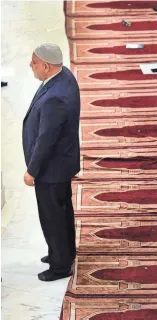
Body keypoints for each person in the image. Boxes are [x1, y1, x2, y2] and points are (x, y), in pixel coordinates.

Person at [23, 43, 80, 281]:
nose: (30, 66)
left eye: (34, 62)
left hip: (51, 168)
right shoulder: (64, 76)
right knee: (62, 210)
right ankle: (64, 252)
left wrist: (32, 171)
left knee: (53, 216)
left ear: (46, 66)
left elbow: (46, 140)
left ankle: (59, 266)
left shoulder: (54, 98)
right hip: (62, 162)